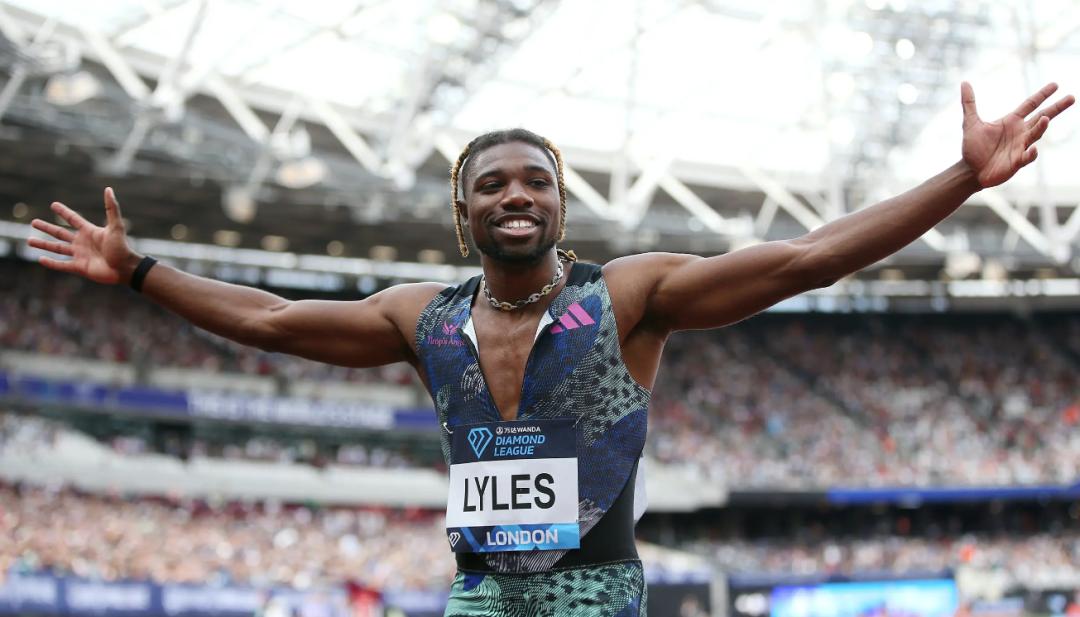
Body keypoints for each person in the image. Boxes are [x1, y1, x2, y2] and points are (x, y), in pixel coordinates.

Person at [27, 82, 1073, 616]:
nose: (516, 194)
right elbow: (267, 319)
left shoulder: (629, 297)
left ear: (561, 203)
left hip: (598, 598)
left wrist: (961, 179)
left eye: (536, 180)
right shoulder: (422, 317)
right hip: (479, 597)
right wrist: (139, 270)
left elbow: (806, 258)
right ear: (464, 214)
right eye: (492, 184)